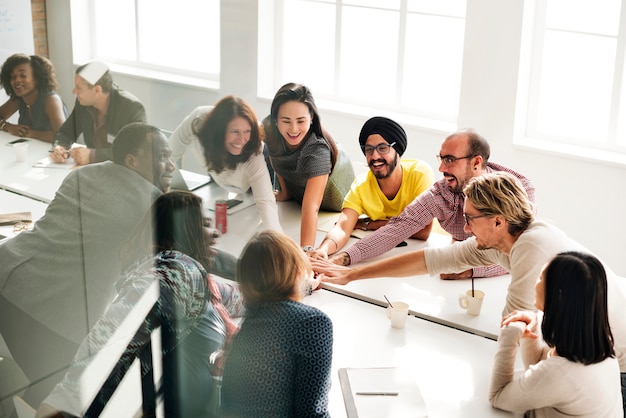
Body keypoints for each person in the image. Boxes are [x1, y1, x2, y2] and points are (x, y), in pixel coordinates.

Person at [313, 172, 626, 403]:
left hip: (618, 358)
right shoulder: (499, 241)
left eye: (471, 218)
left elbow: (510, 331)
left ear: (498, 221)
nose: (464, 228)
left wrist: (493, 395)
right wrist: (354, 275)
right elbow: (431, 260)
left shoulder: (533, 247)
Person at [0, 122, 175, 407]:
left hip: (8, 270)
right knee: (68, 397)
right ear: (132, 161)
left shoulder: (82, 174)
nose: (170, 166)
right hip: (52, 315)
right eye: (162, 156)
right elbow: (187, 252)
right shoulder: (152, 203)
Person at [38, 191, 245, 418]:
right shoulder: (177, 274)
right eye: (205, 224)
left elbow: (241, 298)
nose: (215, 232)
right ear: (180, 234)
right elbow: (117, 334)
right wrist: (67, 401)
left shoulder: (198, 281)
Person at [327, 129, 535, 280]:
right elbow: (397, 229)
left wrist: (471, 271)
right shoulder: (441, 192)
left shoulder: (519, 192)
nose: (441, 167)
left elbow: (523, 256)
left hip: (499, 281)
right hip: (459, 257)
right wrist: (344, 258)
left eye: (450, 160)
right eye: (441, 158)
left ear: (476, 163)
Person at [490, 251, 623, 417]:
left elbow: (498, 397)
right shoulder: (599, 345)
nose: (535, 282)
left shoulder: (561, 375)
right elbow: (539, 366)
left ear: (557, 294)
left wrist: (508, 336)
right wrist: (530, 327)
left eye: (540, 277)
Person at [220, 230, 332, 417]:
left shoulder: (252, 322)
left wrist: (305, 288)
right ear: (298, 272)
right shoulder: (312, 323)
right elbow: (312, 413)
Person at [310, 116, 434, 259]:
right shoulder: (361, 186)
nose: (375, 156)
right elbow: (342, 228)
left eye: (383, 148)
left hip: (413, 257)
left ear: (397, 150)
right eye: (369, 150)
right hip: (380, 256)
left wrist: (368, 224)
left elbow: (423, 231)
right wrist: (323, 250)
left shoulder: (420, 174)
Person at [263, 82, 355, 251]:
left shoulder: (317, 150)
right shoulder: (269, 129)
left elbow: (311, 208)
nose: (293, 129)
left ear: (312, 118)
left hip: (331, 201)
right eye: (286, 121)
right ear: (275, 120)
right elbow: (276, 156)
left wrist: (306, 250)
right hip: (299, 192)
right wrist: (284, 192)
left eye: (301, 121)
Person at [169, 96, 282, 231]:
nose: (241, 139)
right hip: (217, 165)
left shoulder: (253, 146)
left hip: (250, 181)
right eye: (234, 131)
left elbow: (265, 201)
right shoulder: (198, 121)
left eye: (247, 131)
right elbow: (167, 154)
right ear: (219, 131)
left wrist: (278, 240)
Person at [50, 61, 147, 165]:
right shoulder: (83, 103)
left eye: (79, 88)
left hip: (123, 173)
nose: (74, 91)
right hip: (94, 170)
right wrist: (60, 147)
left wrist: (92, 156)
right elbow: (66, 132)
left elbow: (134, 151)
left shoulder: (132, 107)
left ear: (97, 90)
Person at [0, 53, 68, 142]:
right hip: (32, 149)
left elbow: (63, 137)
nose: (17, 80)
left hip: (55, 153)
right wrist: (7, 126)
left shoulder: (51, 100)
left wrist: (29, 133)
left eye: (23, 75)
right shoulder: (18, 98)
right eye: (13, 77)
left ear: (37, 77)